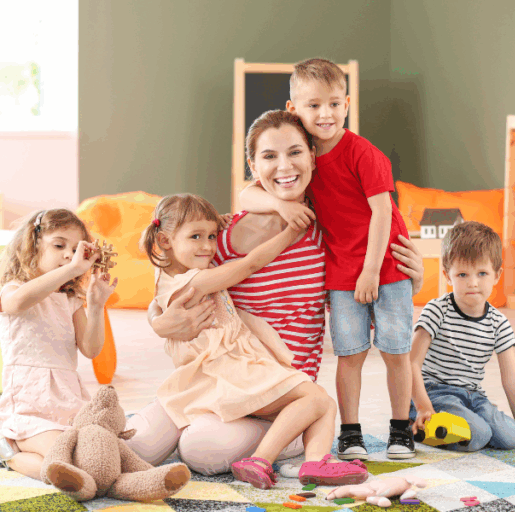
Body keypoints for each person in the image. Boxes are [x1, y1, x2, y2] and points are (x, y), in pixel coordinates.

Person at [127, 111, 426, 475]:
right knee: (138, 444)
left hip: (281, 400)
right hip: (212, 381)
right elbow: (174, 284)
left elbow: (372, 280)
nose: (284, 166)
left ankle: (276, 444)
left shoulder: (327, 234)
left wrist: (408, 278)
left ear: (312, 157)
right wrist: (158, 321)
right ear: (253, 166)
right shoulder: (219, 236)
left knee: (199, 449)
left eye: (295, 152)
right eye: (269, 156)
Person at [239, 58, 416, 460]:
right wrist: (281, 206)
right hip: (341, 274)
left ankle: (400, 428)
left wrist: (371, 270)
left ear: (347, 104)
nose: (326, 114)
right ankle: (350, 432)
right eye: (314, 105)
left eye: (335, 104)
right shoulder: (302, 157)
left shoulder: (363, 153)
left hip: (385, 268)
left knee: (395, 352)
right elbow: (245, 194)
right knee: (350, 354)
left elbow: (382, 213)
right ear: (293, 109)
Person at [138, 192, 369, 489]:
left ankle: (312, 462)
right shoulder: (196, 281)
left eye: (211, 236)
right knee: (318, 399)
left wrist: (213, 224)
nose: (208, 246)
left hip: (225, 372)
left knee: (316, 401)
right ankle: (268, 460)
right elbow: (250, 264)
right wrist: (290, 233)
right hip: (233, 370)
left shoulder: (168, 273)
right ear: (165, 240)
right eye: (196, 237)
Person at [410, 221, 515, 451]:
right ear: (448, 276)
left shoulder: (498, 323)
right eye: (462, 274)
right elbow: (411, 363)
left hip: (472, 395)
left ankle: (451, 428)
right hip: (435, 392)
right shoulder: (437, 310)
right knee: (479, 435)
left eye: (482, 273)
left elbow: (512, 379)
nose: (473, 283)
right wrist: (423, 406)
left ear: (497, 275)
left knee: (511, 437)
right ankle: (416, 423)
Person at [0, 208, 118, 479]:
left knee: (95, 456)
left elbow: (91, 349)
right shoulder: (14, 289)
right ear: (33, 244)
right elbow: (17, 303)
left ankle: (20, 451)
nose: (69, 255)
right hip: (30, 402)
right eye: (59, 245)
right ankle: (10, 453)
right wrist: (72, 269)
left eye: (75, 249)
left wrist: (96, 306)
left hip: (68, 397)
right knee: (65, 459)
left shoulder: (70, 300)